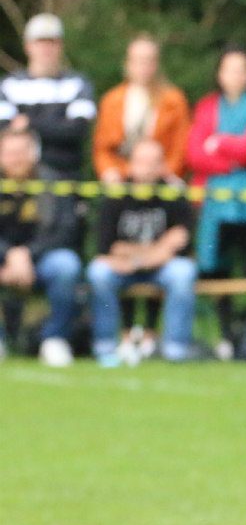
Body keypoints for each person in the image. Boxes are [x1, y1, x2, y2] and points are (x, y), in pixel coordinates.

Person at [188, 46, 246, 350]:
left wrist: (221, 143)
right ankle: (224, 332)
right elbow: (196, 154)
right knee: (217, 268)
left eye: (241, 69)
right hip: (216, 204)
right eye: (229, 69)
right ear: (219, 74)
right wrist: (232, 160)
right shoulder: (207, 107)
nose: (235, 75)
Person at [85, 139, 199, 365]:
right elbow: (106, 249)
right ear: (130, 165)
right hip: (127, 267)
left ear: (162, 166)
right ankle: (106, 346)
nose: (146, 169)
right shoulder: (116, 195)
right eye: (141, 162)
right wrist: (158, 249)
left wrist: (134, 256)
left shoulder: (174, 195)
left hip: (158, 268)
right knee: (98, 273)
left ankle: (175, 349)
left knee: (184, 272)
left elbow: (182, 248)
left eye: (152, 163)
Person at [0, 125, 80, 364]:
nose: (16, 159)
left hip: (41, 260)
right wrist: (9, 255)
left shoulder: (52, 183)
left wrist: (27, 254)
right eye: (9, 152)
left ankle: (54, 339)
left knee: (67, 265)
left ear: (34, 154)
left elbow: (65, 229)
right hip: (3, 261)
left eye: (22, 152)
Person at [0, 13, 97, 179]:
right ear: (28, 45)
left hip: (64, 176)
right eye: (40, 42)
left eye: (52, 42)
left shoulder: (78, 83)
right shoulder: (9, 85)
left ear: (61, 46)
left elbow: (76, 131)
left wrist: (30, 123)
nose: (46, 49)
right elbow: (4, 131)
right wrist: (56, 126)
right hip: (15, 180)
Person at [93, 35, 190, 183]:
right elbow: (102, 148)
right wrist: (109, 171)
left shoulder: (174, 100)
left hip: (161, 178)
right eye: (138, 60)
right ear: (127, 63)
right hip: (122, 177)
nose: (144, 66)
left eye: (149, 60)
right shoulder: (111, 100)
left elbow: (180, 147)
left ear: (157, 64)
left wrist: (166, 173)